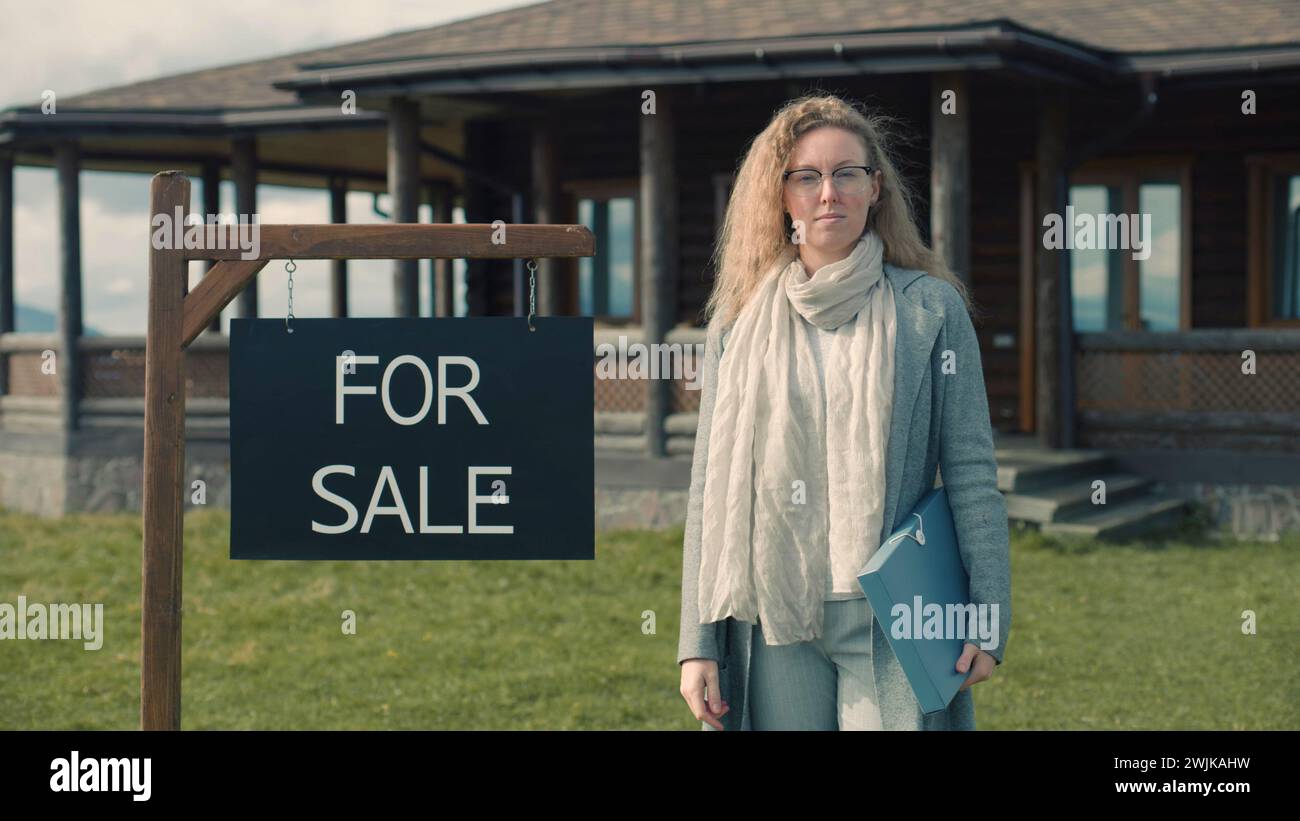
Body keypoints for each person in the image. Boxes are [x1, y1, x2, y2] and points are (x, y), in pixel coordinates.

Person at [677, 93, 1011, 731]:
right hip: (776, 616)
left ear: (874, 188)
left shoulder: (930, 312)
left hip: (891, 613)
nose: (827, 193)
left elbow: (970, 471)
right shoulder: (737, 325)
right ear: (781, 197)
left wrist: (987, 615)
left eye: (845, 173)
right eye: (806, 176)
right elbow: (707, 488)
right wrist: (698, 643)